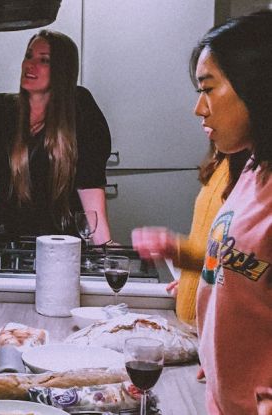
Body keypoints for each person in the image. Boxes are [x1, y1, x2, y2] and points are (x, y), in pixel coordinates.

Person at [188, 10, 272, 414]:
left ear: (257, 86)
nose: (198, 109)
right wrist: (216, 351)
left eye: (208, 89)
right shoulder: (253, 169)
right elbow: (244, 272)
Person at [0, 30, 113, 244]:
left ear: (62, 71)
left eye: (44, 60)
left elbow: (89, 184)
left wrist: (104, 246)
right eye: (29, 56)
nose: (31, 65)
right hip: (4, 241)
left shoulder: (80, 108)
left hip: (62, 243)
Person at [131, 145, 250, 327]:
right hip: (193, 326)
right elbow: (212, 245)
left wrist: (177, 250)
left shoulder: (256, 173)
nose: (199, 114)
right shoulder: (222, 160)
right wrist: (192, 280)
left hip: (220, 330)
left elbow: (249, 265)